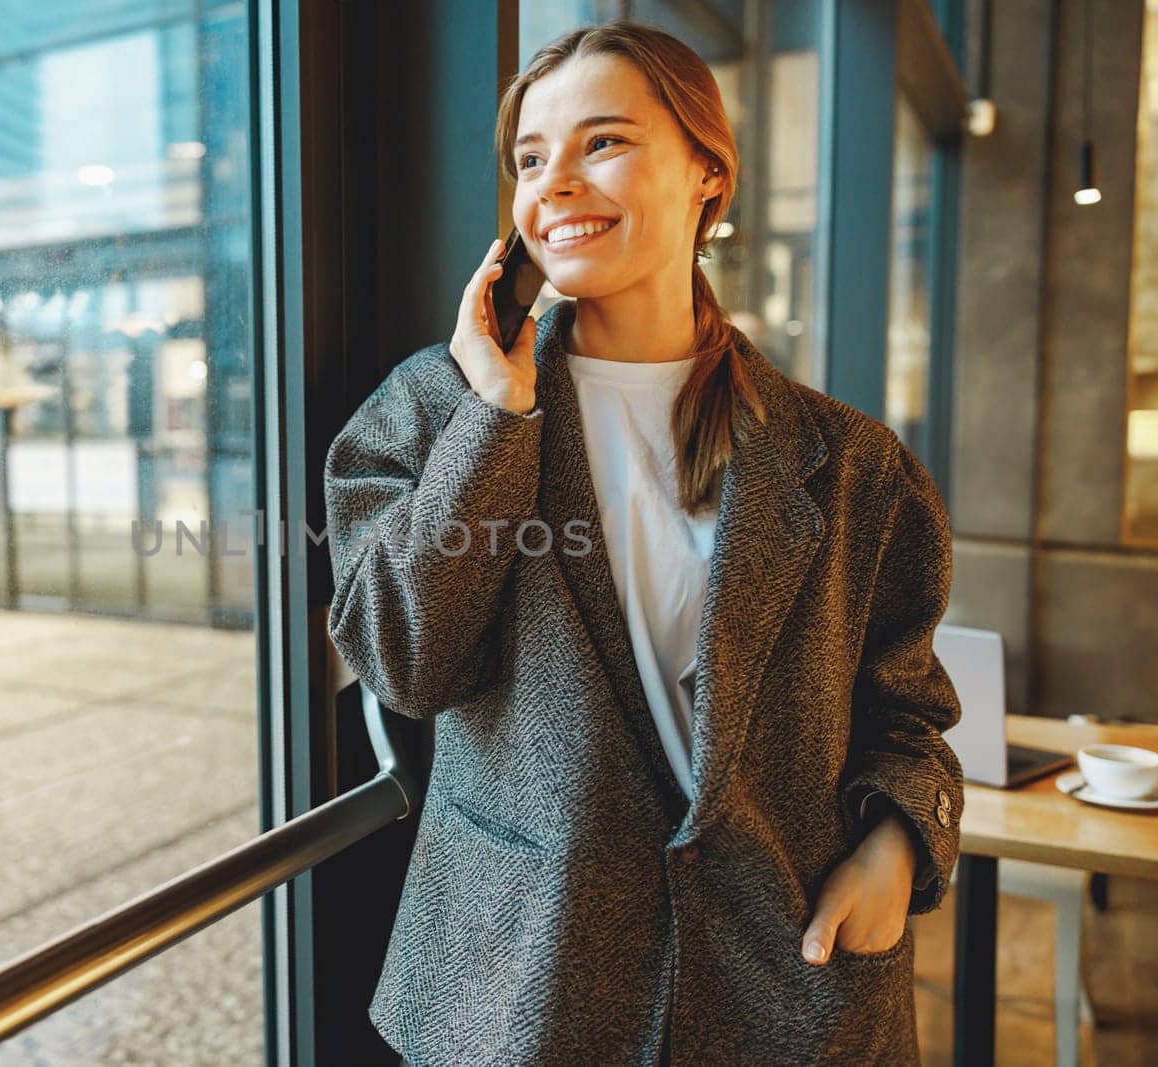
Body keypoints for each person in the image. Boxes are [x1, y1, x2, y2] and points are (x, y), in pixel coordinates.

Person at [323, 19, 964, 1067]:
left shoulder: (849, 463)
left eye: (602, 143)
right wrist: (494, 418)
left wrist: (899, 844)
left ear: (708, 175)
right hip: (528, 981)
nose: (556, 183)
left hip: (789, 978)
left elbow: (907, 712)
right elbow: (404, 662)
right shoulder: (426, 413)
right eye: (532, 159)